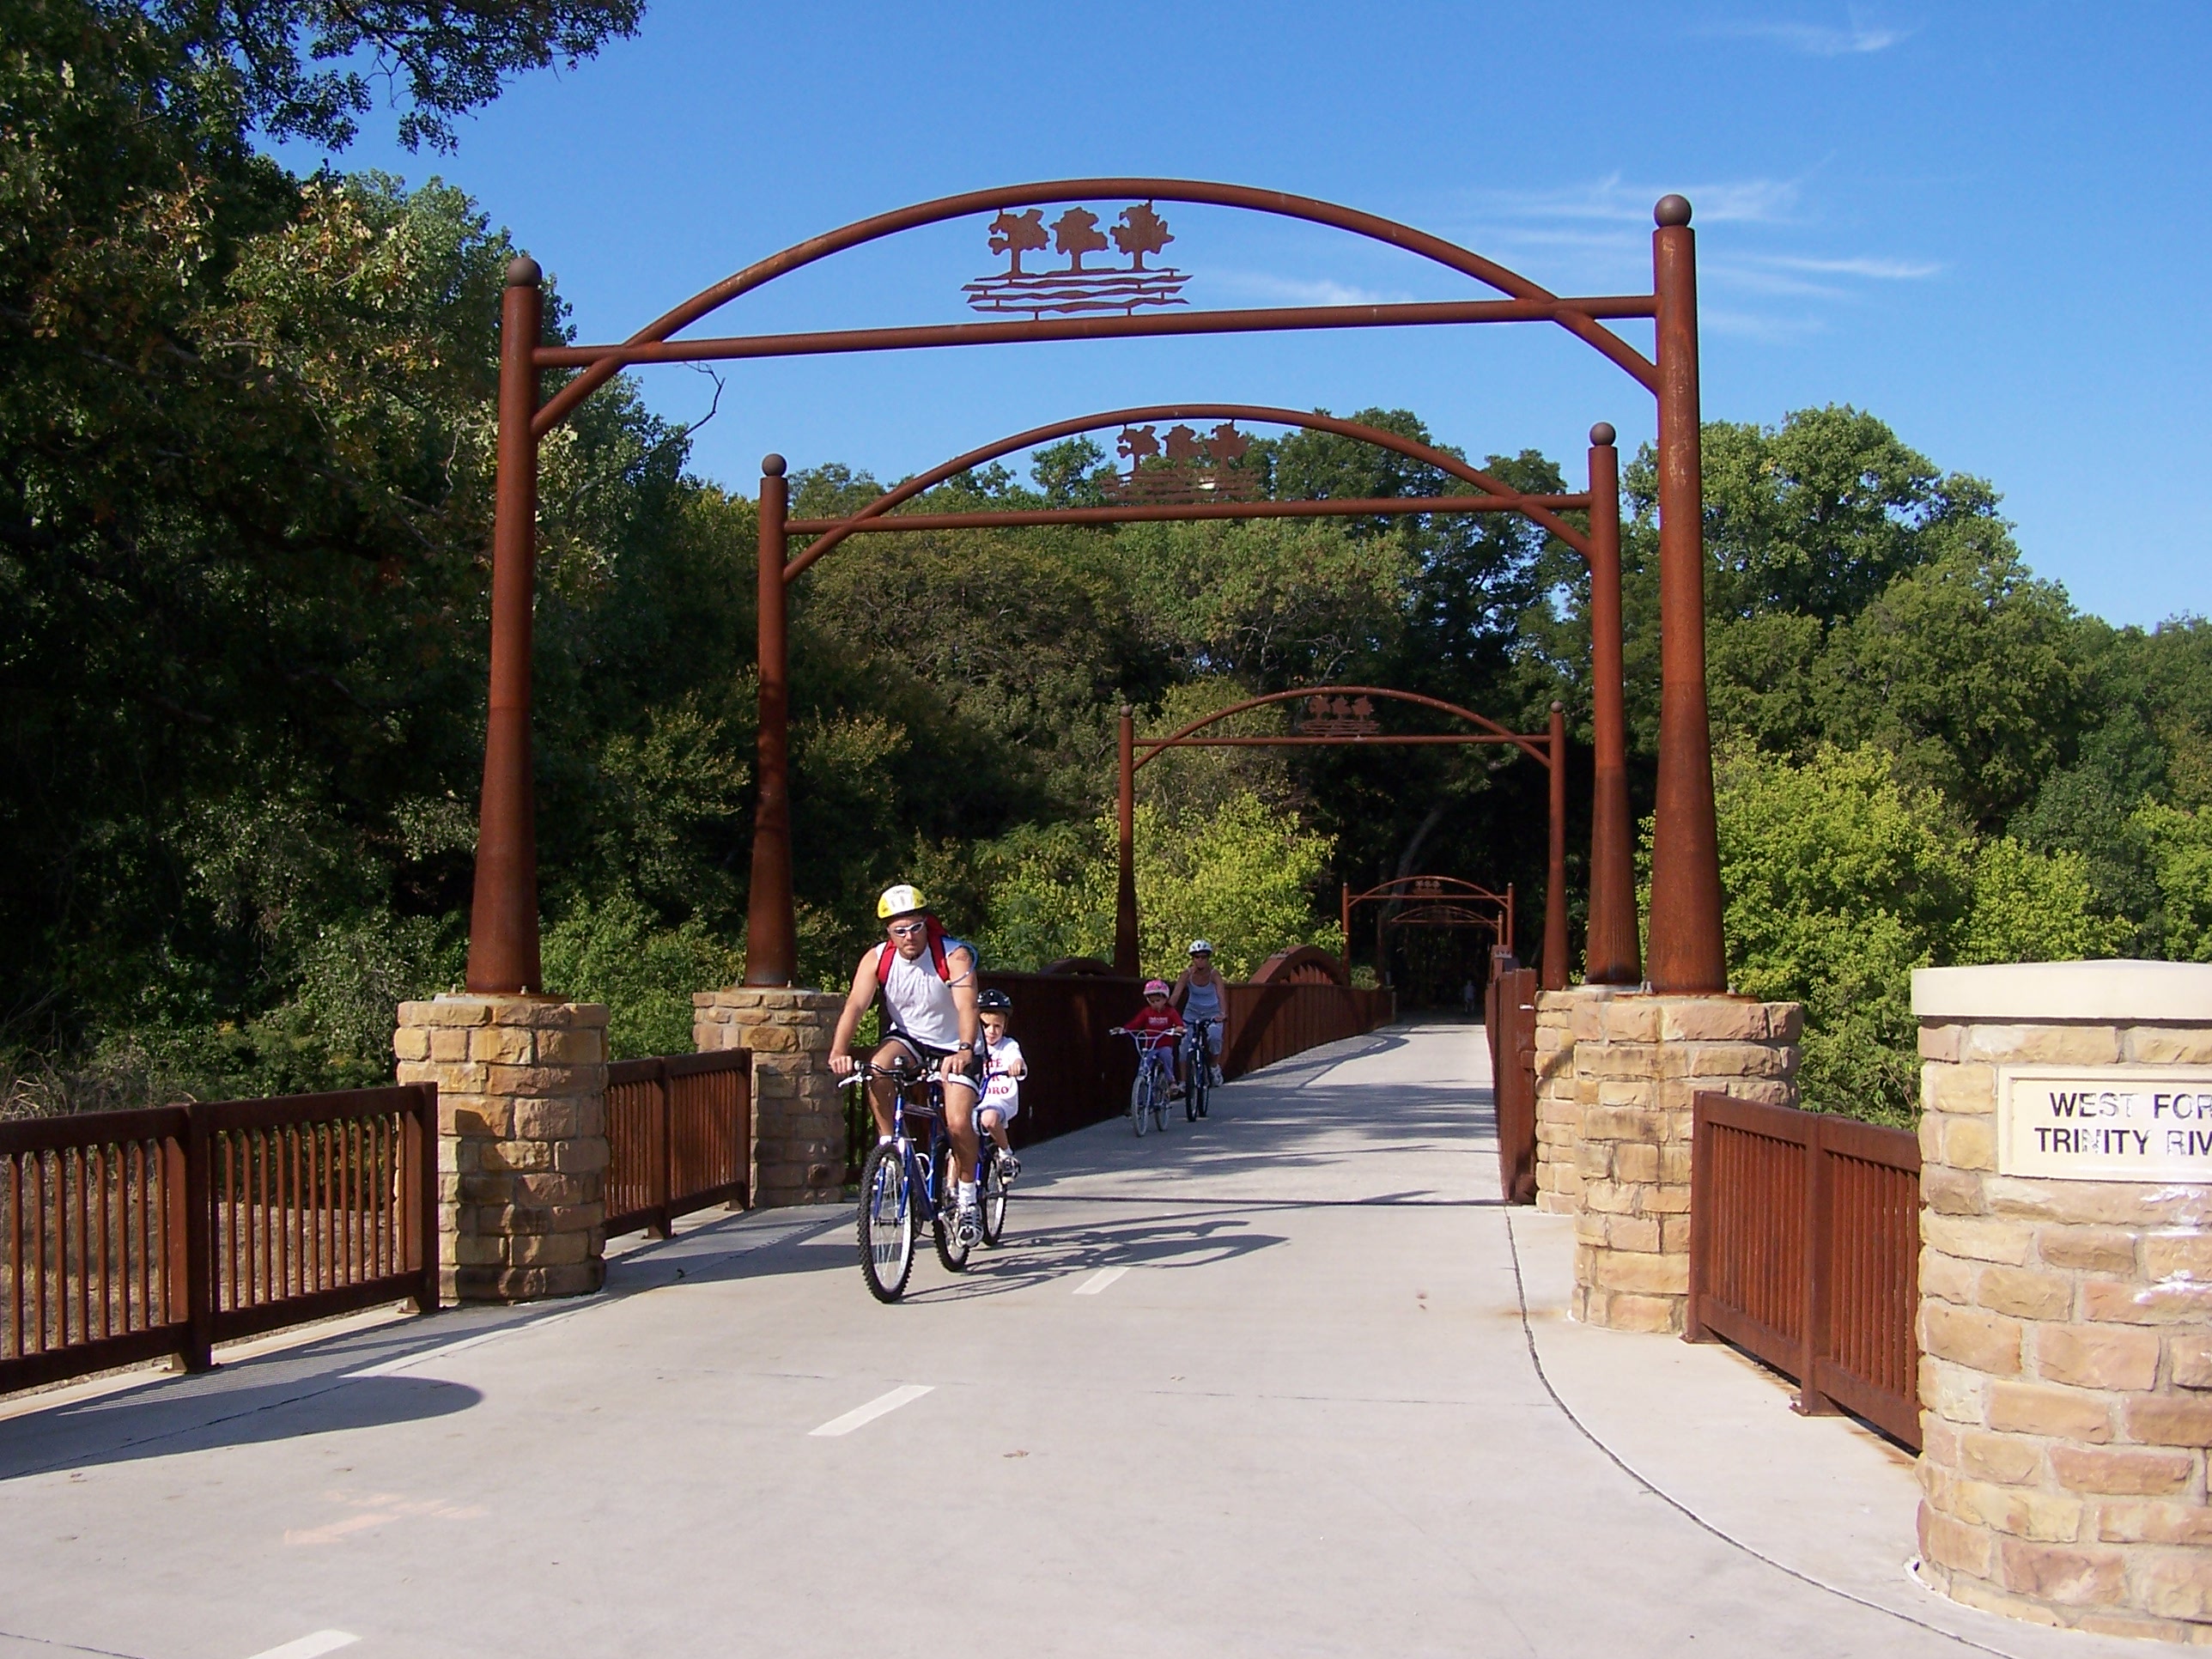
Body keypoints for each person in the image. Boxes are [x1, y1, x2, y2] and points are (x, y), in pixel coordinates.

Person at [829, 884, 984, 1243]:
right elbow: (855, 1005)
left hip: (954, 1044)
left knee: (958, 1121)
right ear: (888, 932)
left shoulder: (954, 955)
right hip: (910, 1039)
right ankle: (890, 1145)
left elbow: (967, 1007)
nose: (909, 936)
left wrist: (963, 1050)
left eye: (916, 926)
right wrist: (839, 1051)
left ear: (926, 923)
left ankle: (967, 1197)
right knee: (878, 1066)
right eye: (899, 930)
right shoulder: (877, 958)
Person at [975, 988, 1024, 1180]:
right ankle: (953, 1189)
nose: (991, 1031)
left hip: (1000, 1099)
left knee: (989, 1118)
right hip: (975, 1099)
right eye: (985, 1025)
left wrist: (1016, 1065)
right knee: (960, 1140)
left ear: (1005, 1026)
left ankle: (1006, 1153)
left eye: (997, 1026)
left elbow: (1016, 1058)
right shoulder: (972, 1046)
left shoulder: (1008, 1045)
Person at [1171, 939, 1225, 1090]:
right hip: (1192, 1013)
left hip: (1212, 1013)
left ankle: (1214, 1067)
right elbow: (1176, 995)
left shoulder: (1214, 974)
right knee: (1184, 1047)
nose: (1200, 960)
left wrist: (1222, 1013)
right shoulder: (1186, 975)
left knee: (1214, 1037)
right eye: (1197, 957)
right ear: (1192, 958)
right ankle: (1183, 1081)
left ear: (1208, 958)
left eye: (1203, 957)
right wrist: (1165, 1011)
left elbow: (1221, 995)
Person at [1119, 978, 1186, 1095]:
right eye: (1151, 1001)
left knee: (1167, 1056)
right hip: (1150, 1045)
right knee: (1143, 1067)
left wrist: (1178, 1029)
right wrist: (1124, 1029)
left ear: (1165, 999)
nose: (1154, 1004)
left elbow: (1179, 1024)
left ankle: (1171, 1081)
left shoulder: (1170, 1012)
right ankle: (1138, 1101)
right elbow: (1136, 1023)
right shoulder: (1146, 1012)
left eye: (1157, 1000)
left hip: (1164, 1044)